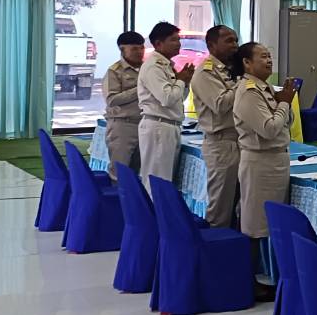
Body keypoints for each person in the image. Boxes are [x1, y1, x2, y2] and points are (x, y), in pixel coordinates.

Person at [231, 42, 294, 299]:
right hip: (260, 163)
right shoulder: (248, 91)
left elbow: (286, 123)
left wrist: (283, 104)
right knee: (254, 225)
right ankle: (248, 281)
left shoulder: (264, 87)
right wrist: (285, 104)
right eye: (263, 57)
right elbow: (269, 129)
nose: (269, 61)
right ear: (247, 63)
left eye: (270, 56)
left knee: (270, 223)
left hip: (275, 160)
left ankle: (270, 277)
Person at [190, 25, 241, 227]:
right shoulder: (206, 72)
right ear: (212, 45)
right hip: (221, 144)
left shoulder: (232, 70)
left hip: (241, 141)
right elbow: (220, 104)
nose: (234, 45)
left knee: (240, 203)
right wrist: (243, 83)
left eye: (236, 40)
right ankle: (216, 241)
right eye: (228, 41)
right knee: (221, 207)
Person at [137, 22, 194, 194]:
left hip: (169, 125)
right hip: (158, 126)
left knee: (166, 179)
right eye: (173, 40)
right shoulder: (153, 66)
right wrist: (181, 80)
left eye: (178, 39)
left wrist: (185, 83)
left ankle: (160, 209)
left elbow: (178, 99)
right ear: (158, 43)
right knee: (157, 180)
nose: (178, 44)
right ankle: (154, 211)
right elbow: (167, 98)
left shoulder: (167, 65)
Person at [101, 31, 145, 181]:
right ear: (122, 49)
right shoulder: (114, 71)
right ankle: (118, 196)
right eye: (134, 49)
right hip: (122, 126)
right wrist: (140, 88)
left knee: (138, 171)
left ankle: (134, 197)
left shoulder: (147, 69)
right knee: (119, 173)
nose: (139, 52)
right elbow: (111, 99)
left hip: (144, 124)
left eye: (141, 48)